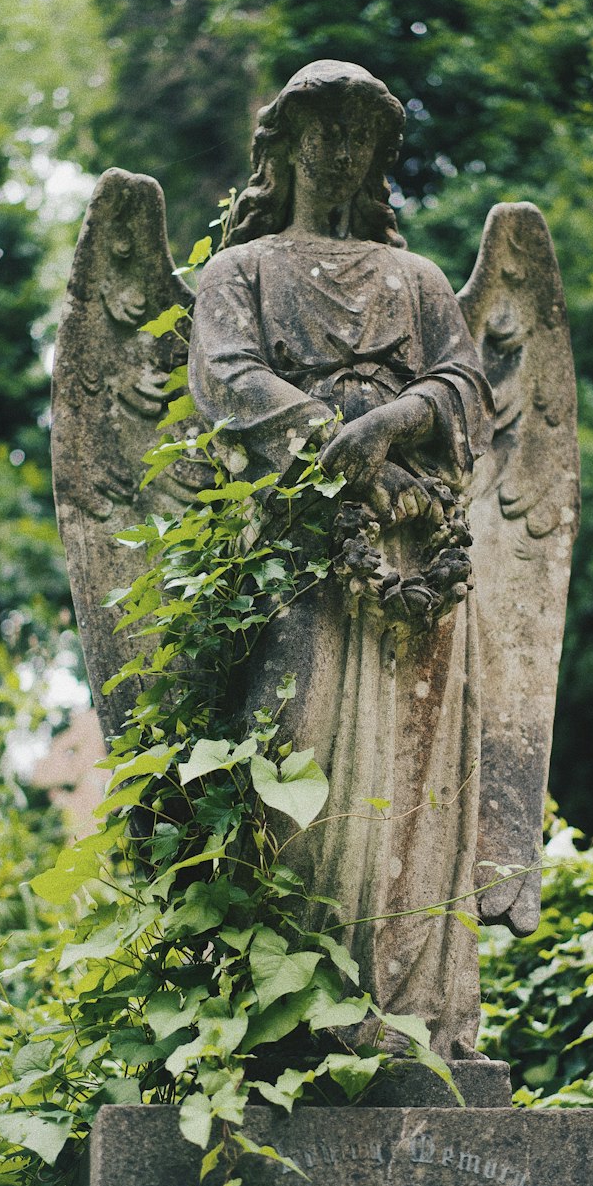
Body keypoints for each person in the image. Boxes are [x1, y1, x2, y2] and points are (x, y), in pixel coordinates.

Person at [189, 60, 495, 1056]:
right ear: (280, 144)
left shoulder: (419, 282)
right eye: (320, 127)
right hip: (297, 547)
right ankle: (289, 1014)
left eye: (359, 130)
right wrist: (329, 429)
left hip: (413, 555)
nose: (339, 148)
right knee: (293, 749)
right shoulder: (239, 272)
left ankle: (405, 1015)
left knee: (412, 780)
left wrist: (396, 417)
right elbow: (227, 380)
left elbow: (467, 388)